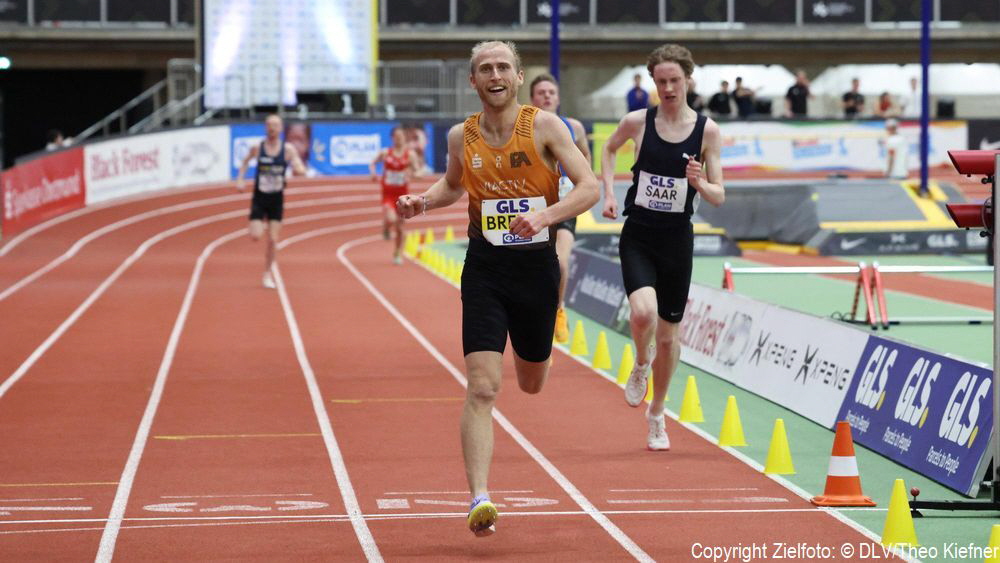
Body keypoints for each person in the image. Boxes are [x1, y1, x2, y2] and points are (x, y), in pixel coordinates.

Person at [396, 40, 598, 537]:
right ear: (473, 81)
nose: (494, 74)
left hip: (537, 268)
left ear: (518, 76)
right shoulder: (460, 136)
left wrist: (546, 216)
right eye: (485, 68)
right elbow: (453, 184)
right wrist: (423, 202)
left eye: (502, 66)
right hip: (485, 268)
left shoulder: (546, 127)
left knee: (532, 382)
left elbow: (589, 187)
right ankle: (479, 498)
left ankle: (544, 338)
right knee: (483, 387)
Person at [600, 43, 725, 452]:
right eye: (660, 81)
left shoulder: (707, 130)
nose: (668, 88)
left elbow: (719, 194)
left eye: (674, 80)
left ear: (688, 80)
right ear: (652, 82)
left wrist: (699, 183)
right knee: (642, 312)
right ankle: (640, 363)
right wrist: (609, 193)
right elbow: (608, 149)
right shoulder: (638, 121)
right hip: (638, 232)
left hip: (677, 239)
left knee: (670, 338)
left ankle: (657, 413)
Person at [529, 73, 592, 344]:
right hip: (534, 205)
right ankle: (537, 334)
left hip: (564, 204)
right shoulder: (526, 126)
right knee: (534, 270)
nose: (546, 96)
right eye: (541, 92)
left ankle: (558, 310)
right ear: (532, 98)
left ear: (558, 97)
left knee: (560, 261)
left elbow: (585, 156)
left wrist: (582, 182)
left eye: (551, 92)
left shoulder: (573, 126)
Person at [235, 114, 307, 288]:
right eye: (269, 125)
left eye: (275, 125)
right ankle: (258, 223)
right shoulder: (258, 148)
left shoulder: (288, 149)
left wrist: (299, 169)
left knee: (273, 240)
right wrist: (240, 179)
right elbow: (245, 163)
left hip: (277, 199)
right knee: (255, 236)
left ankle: (267, 274)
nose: (272, 128)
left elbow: (299, 165)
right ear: (265, 128)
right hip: (260, 197)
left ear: (281, 128)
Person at [370, 125, 422, 264]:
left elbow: (419, 172)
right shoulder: (386, 153)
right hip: (387, 194)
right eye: (396, 137)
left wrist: (412, 174)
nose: (399, 139)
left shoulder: (410, 155)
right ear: (392, 138)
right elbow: (372, 163)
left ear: (404, 138)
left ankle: (398, 253)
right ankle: (386, 227)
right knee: (391, 219)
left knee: (400, 228)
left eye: (401, 137)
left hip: (402, 195)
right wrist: (373, 173)